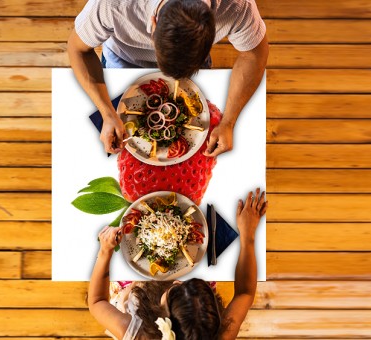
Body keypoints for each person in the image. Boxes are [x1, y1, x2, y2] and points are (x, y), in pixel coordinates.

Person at [68, 0, 269, 156]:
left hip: (196, 68)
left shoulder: (237, 6)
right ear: (153, 23)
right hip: (123, 61)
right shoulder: (111, 4)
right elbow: (77, 49)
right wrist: (107, 113)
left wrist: (228, 122)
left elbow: (254, 54)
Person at [88, 188, 267, 339]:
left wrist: (105, 251)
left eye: (176, 289)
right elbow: (245, 293)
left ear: (163, 319)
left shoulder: (139, 334)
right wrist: (248, 235)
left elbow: (97, 302)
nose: (178, 281)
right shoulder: (220, 334)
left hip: (137, 294)